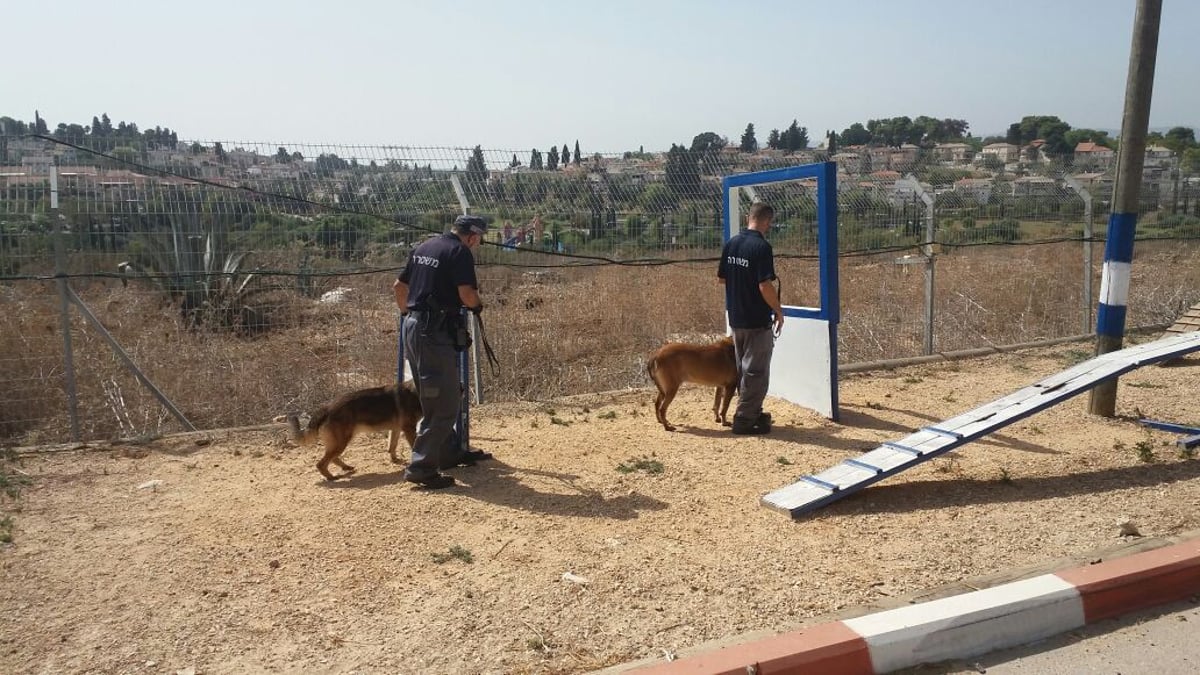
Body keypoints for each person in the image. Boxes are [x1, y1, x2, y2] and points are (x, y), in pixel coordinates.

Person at [392, 215, 491, 488]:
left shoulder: (425, 247)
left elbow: (399, 288)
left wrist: (410, 315)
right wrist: (478, 306)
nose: (477, 244)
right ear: (472, 236)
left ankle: (448, 454)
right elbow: (467, 295)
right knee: (444, 400)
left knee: (437, 392)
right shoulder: (459, 252)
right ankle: (421, 467)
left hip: (414, 326)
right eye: (479, 240)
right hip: (433, 332)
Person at [717, 202, 784, 435]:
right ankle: (744, 420)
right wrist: (778, 310)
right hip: (756, 320)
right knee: (756, 372)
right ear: (767, 222)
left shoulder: (731, 244)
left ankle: (752, 411)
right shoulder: (761, 247)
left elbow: (723, 279)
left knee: (744, 369)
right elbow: (764, 285)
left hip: (736, 319)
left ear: (749, 217)